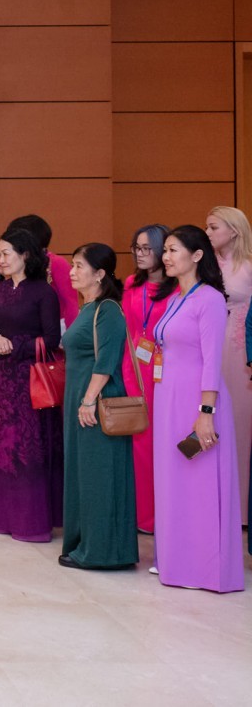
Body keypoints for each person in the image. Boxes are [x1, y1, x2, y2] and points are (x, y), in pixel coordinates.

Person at [153, 225, 244, 592]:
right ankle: (176, 563)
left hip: (197, 401)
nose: (166, 257)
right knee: (174, 482)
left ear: (197, 255)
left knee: (199, 483)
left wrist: (205, 411)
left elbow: (211, 361)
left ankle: (205, 569)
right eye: (166, 251)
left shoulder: (208, 299)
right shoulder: (177, 298)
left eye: (174, 250)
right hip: (169, 400)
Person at [0, 227, 64, 542]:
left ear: (25, 256)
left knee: (27, 449)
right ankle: (0, 517)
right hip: (1, 377)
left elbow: (52, 340)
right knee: (0, 445)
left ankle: (31, 522)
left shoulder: (43, 292)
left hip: (31, 379)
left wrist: (13, 344)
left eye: (5, 254)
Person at [59, 243, 137, 570]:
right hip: (80, 399)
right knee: (83, 474)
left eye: (79, 266)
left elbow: (105, 362)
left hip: (96, 401)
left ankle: (102, 550)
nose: (72, 272)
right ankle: (83, 543)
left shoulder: (108, 309)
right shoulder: (88, 308)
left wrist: (88, 400)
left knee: (100, 476)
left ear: (100, 273)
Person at [122, 224, 172, 534]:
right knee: (134, 440)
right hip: (132, 365)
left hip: (163, 368)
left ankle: (158, 516)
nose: (140, 255)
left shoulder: (178, 288)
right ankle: (137, 514)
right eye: (136, 248)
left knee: (157, 442)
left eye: (147, 249)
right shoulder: (130, 283)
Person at [205, 205, 252, 523]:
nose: (207, 233)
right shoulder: (204, 266)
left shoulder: (249, 267)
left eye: (213, 227)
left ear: (233, 231)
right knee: (208, 420)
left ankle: (242, 508)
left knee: (240, 424)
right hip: (208, 350)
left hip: (240, 356)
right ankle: (212, 502)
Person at [7, 214, 78, 331]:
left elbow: (70, 302)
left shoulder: (56, 263)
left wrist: (71, 337)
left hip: (54, 328)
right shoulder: (16, 262)